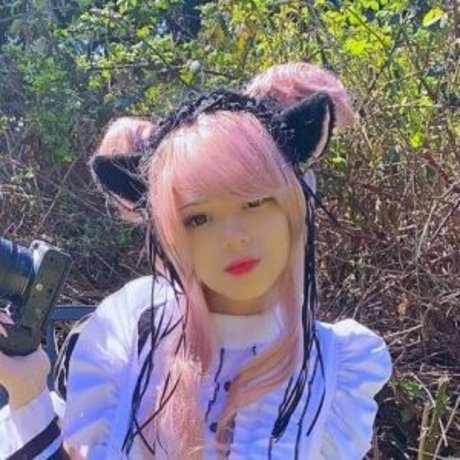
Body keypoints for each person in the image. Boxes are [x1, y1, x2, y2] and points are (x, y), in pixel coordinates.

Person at [0, 62, 391, 459]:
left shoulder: (337, 367)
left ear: (295, 204)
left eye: (255, 202)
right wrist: (27, 393)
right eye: (198, 218)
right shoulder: (128, 332)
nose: (233, 235)